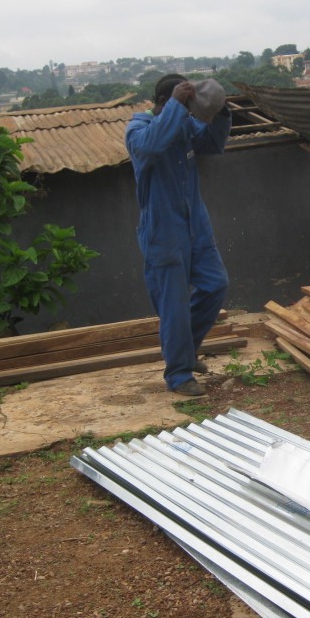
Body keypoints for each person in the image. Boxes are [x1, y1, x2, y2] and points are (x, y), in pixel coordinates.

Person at [125, 74, 232, 396]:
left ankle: (185, 350)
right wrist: (176, 104)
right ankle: (179, 373)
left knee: (216, 284)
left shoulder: (183, 124)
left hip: (194, 224)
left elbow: (212, 143)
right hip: (163, 230)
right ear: (164, 102)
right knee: (173, 304)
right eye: (180, 106)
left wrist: (220, 112)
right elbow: (152, 146)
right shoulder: (139, 130)